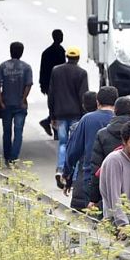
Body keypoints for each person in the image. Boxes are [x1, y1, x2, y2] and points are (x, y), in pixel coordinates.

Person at [64, 86, 118, 199]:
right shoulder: (120, 119)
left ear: (98, 102)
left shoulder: (87, 119)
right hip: (118, 177)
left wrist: (67, 172)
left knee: (92, 212)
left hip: (91, 176)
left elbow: (73, 150)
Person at [86, 96, 130, 210]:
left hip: (111, 188)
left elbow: (97, 167)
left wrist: (93, 198)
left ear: (115, 111)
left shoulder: (103, 134)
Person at [48, 46, 89, 184]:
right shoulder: (81, 73)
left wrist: (52, 115)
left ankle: (60, 169)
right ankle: (73, 173)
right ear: (77, 58)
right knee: (76, 144)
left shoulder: (56, 71)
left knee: (63, 143)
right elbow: (84, 95)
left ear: (67, 57)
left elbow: (51, 94)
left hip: (60, 114)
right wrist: (85, 114)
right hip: (76, 114)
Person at [0, 42, 33, 165]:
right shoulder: (26, 67)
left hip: (6, 103)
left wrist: (1, 101)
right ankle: (13, 157)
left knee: (6, 131)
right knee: (18, 132)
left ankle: (7, 156)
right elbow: (28, 85)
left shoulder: (3, 66)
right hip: (20, 105)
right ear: (21, 52)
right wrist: (23, 99)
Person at [39, 29, 66, 136]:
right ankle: (54, 128)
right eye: (60, 35)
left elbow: (42, 70)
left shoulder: (47, 52)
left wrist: (42, 84)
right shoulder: (60, 51)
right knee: (57, 107)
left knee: (54, 106)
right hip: (56, 84)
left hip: (50, 84)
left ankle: (49, 122)